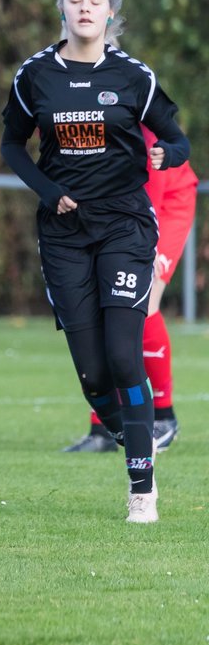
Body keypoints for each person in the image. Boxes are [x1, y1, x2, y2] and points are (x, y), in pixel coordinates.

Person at [0, 0, 189, 523]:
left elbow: (177, 137)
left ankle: (141, 489)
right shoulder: (35, 75)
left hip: (126, 227)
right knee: (92, 373)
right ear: (62, 9)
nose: (85, 9)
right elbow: (12, 145)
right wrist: (48, 189)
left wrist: (166, 155)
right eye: (75, 0)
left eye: (95, 1)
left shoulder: (134, 77)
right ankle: (134, 435)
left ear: (110, 13)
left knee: (125, 355)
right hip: (63, 236)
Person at [63, 129, 197, 454]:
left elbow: (151, 185)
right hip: (115, 205)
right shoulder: (57, 99)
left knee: (141, 299)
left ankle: (164, 416)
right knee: (99, 309)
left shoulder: (132, 110)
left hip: (164, 200)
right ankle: (105, 428)